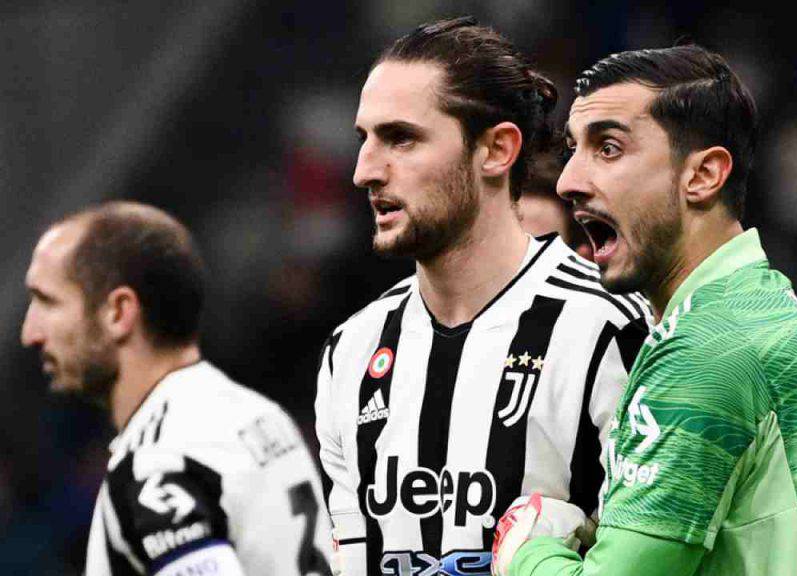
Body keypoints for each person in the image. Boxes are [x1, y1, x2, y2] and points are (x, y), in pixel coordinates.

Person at [492, 43, 797, 575]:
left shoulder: (706, 349)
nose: (568, 181)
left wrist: (526, 549)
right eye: (574, 149)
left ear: (703, 175)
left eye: (608, 148)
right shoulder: (758, 307)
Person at [315, 17, 648, 576]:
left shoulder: (610, 331)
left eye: (401, 138)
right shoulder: (351, 351)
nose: (364, 171)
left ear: (496, 150)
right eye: (364, 140)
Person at [21, 202, 332, 576]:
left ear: (119, 312)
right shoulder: (258, 414)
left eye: (47, 302)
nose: (30, 334)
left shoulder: (155, 463)